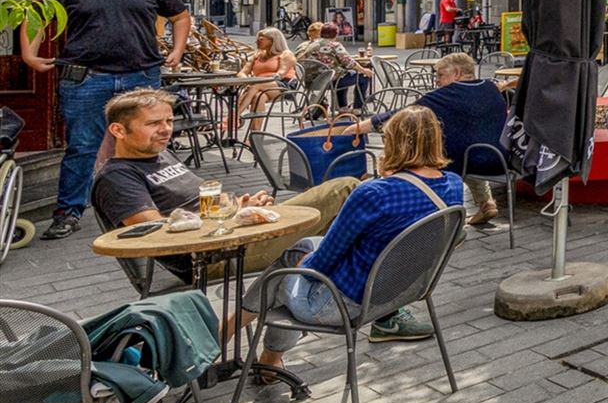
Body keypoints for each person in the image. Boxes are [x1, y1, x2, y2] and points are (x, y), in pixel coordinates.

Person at [20, 0, 193, 241]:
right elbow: (38, 16)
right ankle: (69, 213)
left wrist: (178, 49)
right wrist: (29, 54)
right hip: (87, 77)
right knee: (82, 148)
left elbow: (180, 16)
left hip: (141, 76)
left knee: (148, 144)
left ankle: (152, 206)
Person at [257, 106, 463, 368]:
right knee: (303, 248)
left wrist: (301, 267)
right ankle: (263, 353)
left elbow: (323, 261)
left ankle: (259, 349)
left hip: (343, 304)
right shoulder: (454, 185)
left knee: (285, 268)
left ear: (393, 142)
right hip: (399, 294)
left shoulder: (374, 193)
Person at [92, 89, 354, 282]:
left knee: (350, 201)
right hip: (215, 257)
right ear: (118, 130)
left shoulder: (159, 154)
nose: (166, 130)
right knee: (345, 192)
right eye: (153, 123)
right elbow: (155, 234)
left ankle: (335, 285)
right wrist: (230, 217)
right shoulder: (118, 177)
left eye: (169, 121)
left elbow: (203, 204)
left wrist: (242, 205)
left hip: (236, 232)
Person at [369, 51, 507, 226]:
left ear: (456, 73)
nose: (437, 81)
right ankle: (486, 202)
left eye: (441, 75)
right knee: (468, 145)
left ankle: (439, 214)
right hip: (501, 158)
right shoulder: (490, 87)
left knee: (432, 154)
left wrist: (359, 127)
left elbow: (401, 115)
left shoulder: (446, 95)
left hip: (466, 163)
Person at [297, 22, 373, 107]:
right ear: (336, 35)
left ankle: (343, 107)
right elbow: (349, 62)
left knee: (343, 73)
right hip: (329, 81)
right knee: (362, 77)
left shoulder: (311, 45)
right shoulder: (334, 45)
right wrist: (365, 70)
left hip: (311, 82)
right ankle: (358, 108)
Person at [235, 27, 299, 128]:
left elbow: (281, 73)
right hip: (260, 87)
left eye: (261, 39)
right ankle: (255, 136)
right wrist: (248, 81)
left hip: (284, 85)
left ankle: (235, 116)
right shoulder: (257, 55)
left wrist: (257, 82)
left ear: (273, 41)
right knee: (258, 97)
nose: (257, 41)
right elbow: (242, 72)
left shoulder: (285, 54)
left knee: (256, 87)